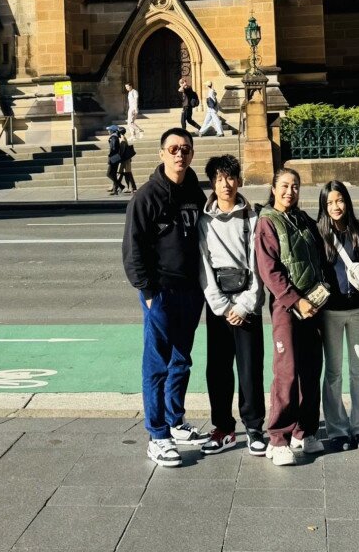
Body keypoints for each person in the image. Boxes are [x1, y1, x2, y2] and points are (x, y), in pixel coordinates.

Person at [122, 127, 207, 467]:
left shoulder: (195, 192)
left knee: (181, 360)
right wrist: (147, 291)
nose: (179, 154)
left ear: (191, 154)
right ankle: (157, 435)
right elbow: (133, 248)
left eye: (185, 149)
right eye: (173, 149)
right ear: (161, 154)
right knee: (157, 364)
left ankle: (175, 420)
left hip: (191, 289)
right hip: (160, 291)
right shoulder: (146, 197)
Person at [255, 167, 327, 466]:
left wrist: (317, 296)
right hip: (287, 308)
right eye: (284, 186)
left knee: (311, 370)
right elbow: (269, 270)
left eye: (295, 186)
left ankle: (304, 431)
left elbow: (319, 258)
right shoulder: (267, 222)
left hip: (313, 306)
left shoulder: (303, 220)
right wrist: (296, 301)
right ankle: (278, 438)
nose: (290, 191)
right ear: (273, 188)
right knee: (286, 372)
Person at [198, 154, 266, 457]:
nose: (225, 184)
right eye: (219, 179)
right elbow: (203, 267)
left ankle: (254, 428)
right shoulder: (205, 221)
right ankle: (223, 428)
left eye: (230, 177)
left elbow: (259, 265)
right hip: (219, 307)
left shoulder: (253, 217)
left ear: (239, 180)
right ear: (212, 183)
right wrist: (223, 307)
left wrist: (246, 305)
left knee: (250, 370)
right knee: (218, 370)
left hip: (247, 305)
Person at [316, 181, 359, 452]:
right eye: (329, 203)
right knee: (333, 373)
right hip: (331, 312)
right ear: (323, 206)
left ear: (347, 202)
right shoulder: (320, 234)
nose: (335, 207)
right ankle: (337, 429)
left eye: (339, 200)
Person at [117, 126, 137, 194]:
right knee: (122, 173)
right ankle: (119, 187)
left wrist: (118, 158)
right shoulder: (123, 138)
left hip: (124, 159)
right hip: (125, 159)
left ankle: (132, 187)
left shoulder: (122, 139)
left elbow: (122, 151)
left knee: (127, 173)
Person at [106, 124, 123, 195]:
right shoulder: (115, 137)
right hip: (116, 157)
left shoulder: (113, 138)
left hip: (114, 157)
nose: (108, 131)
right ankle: (115, 190)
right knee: (113, 174)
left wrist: (110, 158)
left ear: (112, 131)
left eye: (109, 130)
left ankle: (120, 186)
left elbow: (113, 149)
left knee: (109, 174)